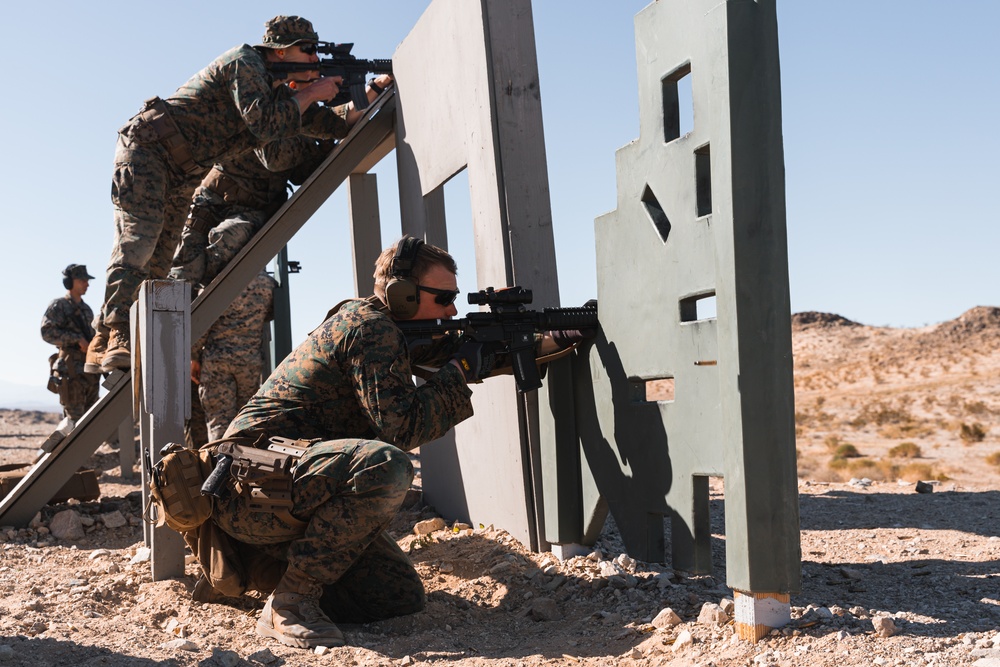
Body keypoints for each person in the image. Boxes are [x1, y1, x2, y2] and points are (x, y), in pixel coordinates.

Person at [205, 237, 581, 650]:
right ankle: (290, 603)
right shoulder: (370, 329)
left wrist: (553, 336)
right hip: (250, 488)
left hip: (283, 487)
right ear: (403, 294)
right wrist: (458, 372)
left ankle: (258, 564)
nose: (453, 309)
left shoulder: (394, 328)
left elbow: (468, 352)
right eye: (444, 298)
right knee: (387, 464)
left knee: (397, 597)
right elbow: (402, 428)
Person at [86, 15, 349, 374]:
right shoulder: (245, 61)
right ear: (282, 49)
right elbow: (265, 125)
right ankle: (118, 331)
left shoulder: (272, 87)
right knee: (140, 240)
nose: (315, 60)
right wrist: (310, 93)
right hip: (149, 149)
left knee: (161, 263)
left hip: (183, 172)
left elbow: (322, 123)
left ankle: (102, 337)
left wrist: (361, 105)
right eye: (308, 51)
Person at [195, 270, 277, 441]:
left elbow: (201, 324)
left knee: (219, 423)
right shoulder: (268, 284)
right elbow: (270, 315)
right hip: (249, 363)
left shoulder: (216, 281)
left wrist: (192, 357)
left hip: (217, 362)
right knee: (246, 421)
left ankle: (220, 465)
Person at [41, 265, 100, 423]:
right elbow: (47, 332)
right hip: (71, 370)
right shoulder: (59, 306)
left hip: (89, 371)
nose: (87, 284)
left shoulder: (87, 309)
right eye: (83, 280)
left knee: (91, 418)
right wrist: (76, 339)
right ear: (70, 282)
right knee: (74, 420)